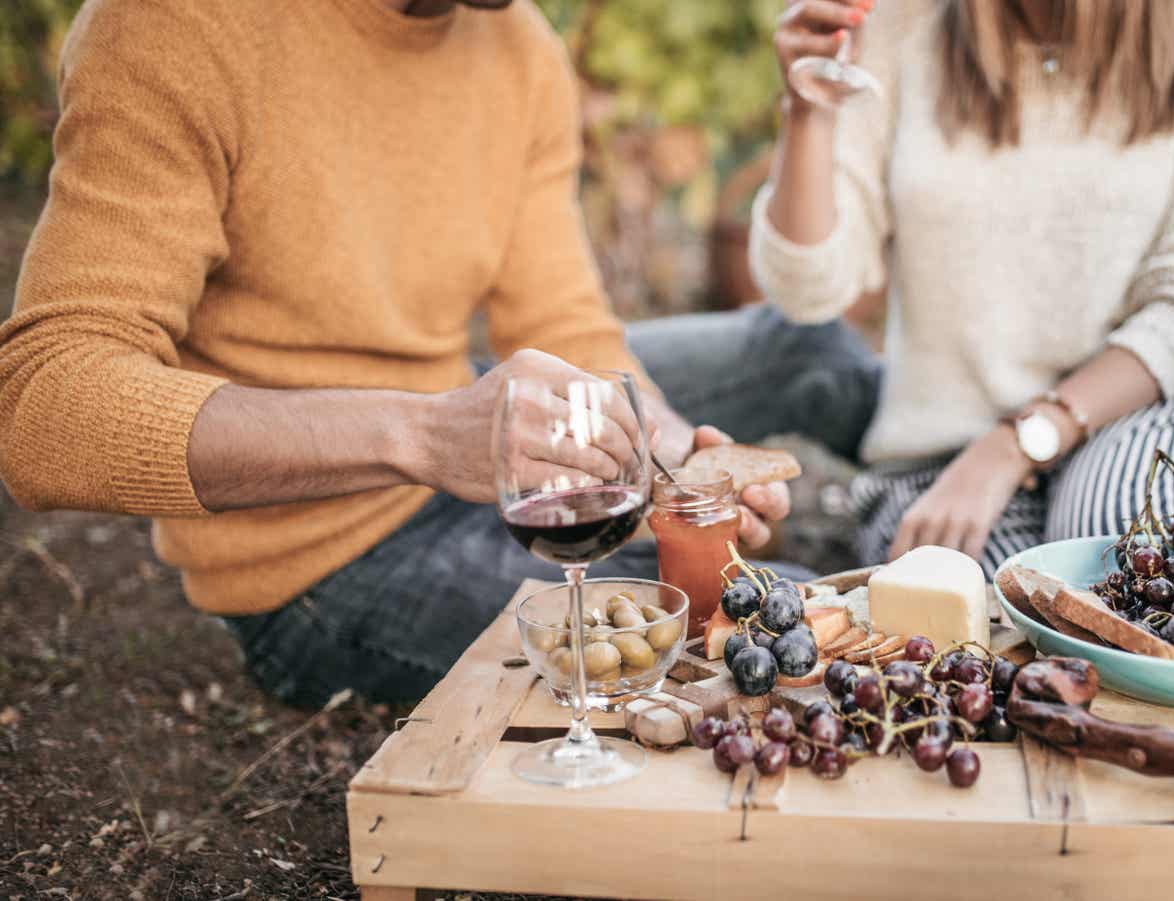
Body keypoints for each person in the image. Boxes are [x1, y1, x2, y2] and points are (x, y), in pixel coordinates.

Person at [0, 0, 878, 707]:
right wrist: (422, 434)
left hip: (469, 456)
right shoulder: (175, 27)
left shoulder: (517, 44)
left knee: (803, 402)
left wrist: (677, 459)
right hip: (321, 566)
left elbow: (563, 320)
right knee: (785, 632)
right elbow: (44, 410)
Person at [752, 0, 1174, 571]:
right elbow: (808, 290)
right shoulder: (899, 26)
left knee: (1124, 562)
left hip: (1155, 418)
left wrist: (1015, 445)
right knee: (1015, 626)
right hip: (944, 463)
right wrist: (810, 107)